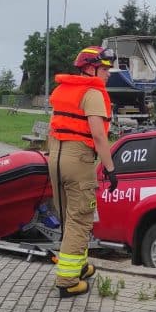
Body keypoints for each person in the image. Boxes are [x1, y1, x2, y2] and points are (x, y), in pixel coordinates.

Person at [47, 46, 119, 298]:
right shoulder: (93, 93)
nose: (109, 74)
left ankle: (79, 265)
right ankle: (67, 281)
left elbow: (52, 127)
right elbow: (99, 135)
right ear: (91, 68)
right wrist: (110, 169)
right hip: (78, 159)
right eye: (105, 68)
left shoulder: (61, 90)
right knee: (81, 218)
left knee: (68, 216)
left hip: (55, 156)